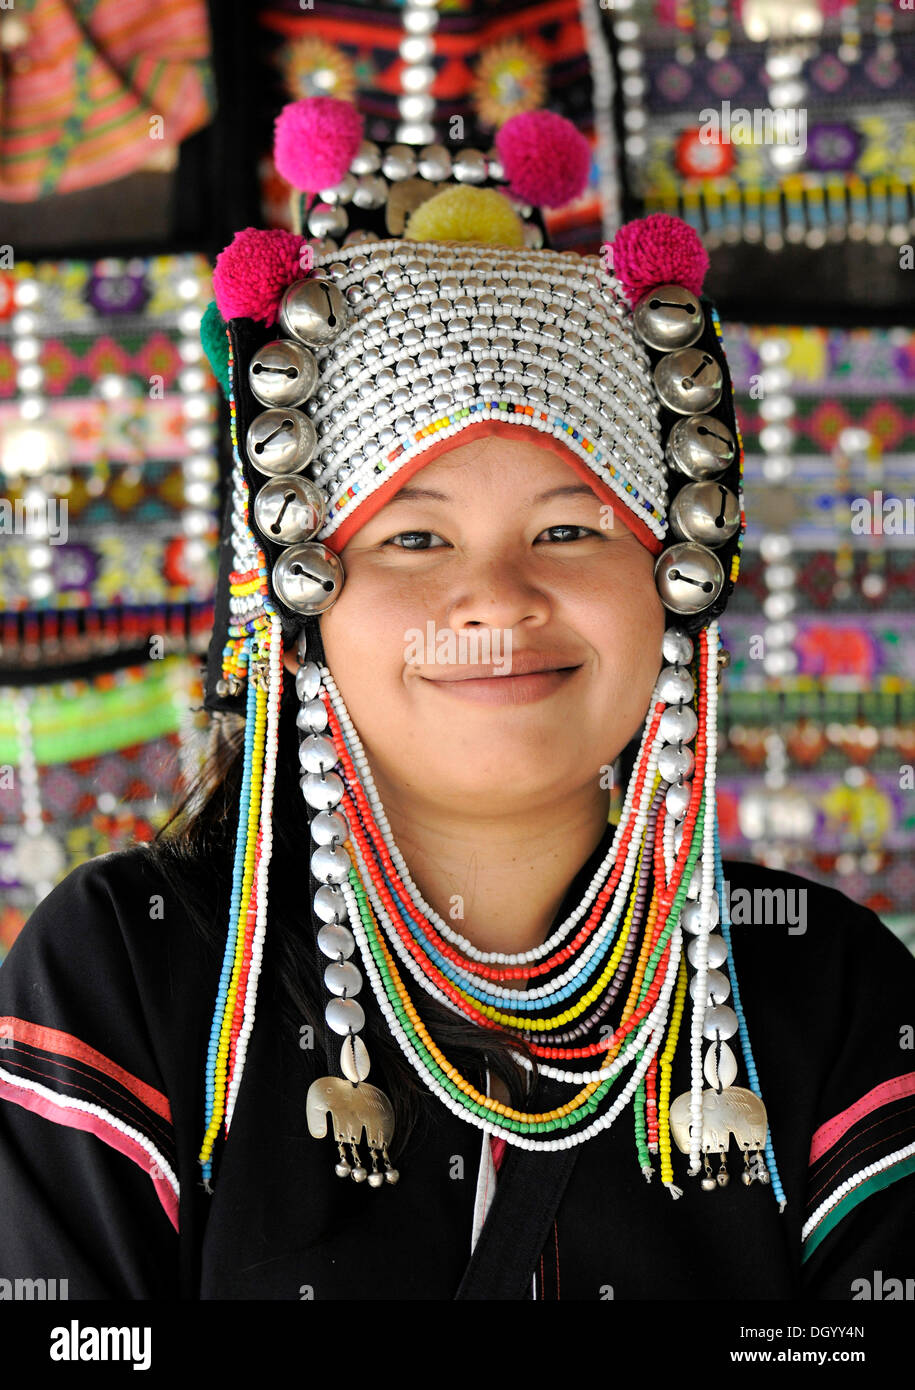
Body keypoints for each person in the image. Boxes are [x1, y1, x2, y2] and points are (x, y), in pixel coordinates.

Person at [0, 99, 913, 1302]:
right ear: (301, 594)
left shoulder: (827, 994)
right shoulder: (130, 974)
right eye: (416, 536)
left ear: (677, 581)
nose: (494, 599)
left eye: (570, 528)